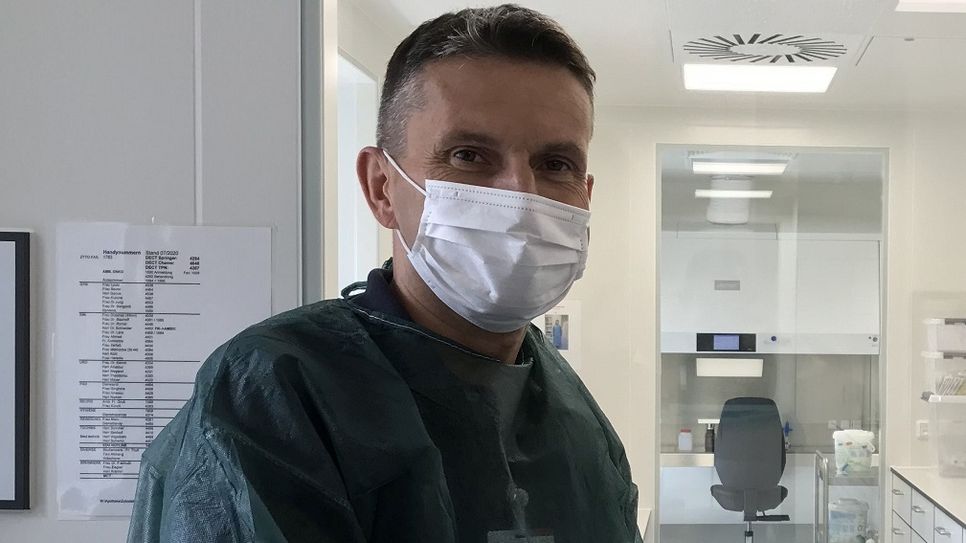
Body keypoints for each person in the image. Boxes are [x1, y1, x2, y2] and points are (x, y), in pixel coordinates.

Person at [127, 5, 641, 542]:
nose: (519, 197)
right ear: (381, 187)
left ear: (585, 195)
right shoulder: (277, 396)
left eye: (555, 164)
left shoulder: (571, 411)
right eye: (468, 156)